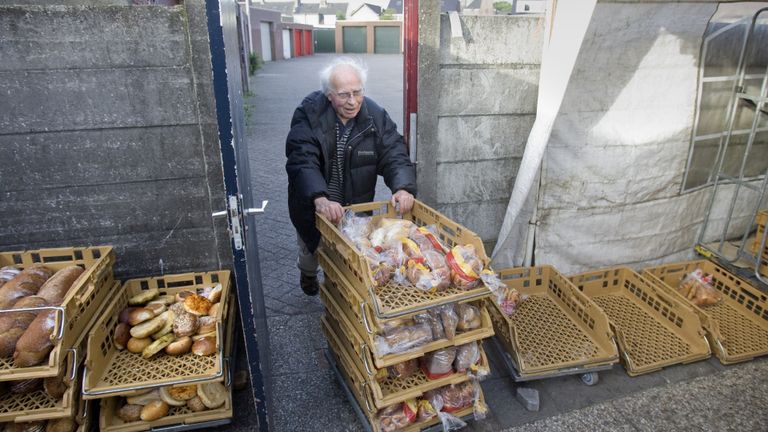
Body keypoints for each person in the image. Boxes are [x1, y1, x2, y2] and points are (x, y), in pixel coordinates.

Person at [285, 57, 417, 296]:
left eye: (357, 92)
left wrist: (403, 187)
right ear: (328, 95)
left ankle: (339, 293)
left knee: (351, 257)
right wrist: (319, 198)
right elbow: (302, 160)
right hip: (315, 206)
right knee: (310, 250)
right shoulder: (309, 115)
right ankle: (308, 273)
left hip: (355, 205)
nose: (352, 101)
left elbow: (394, 152)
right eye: (344, 94)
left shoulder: (375, 116)